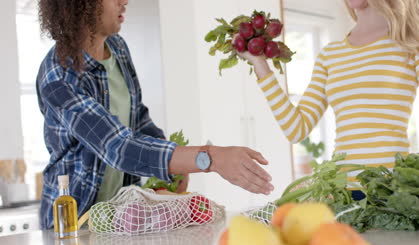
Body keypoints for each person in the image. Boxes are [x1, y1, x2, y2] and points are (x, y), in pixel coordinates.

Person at [36, 0, 273, 229]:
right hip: (73, 224)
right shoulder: (59, 74)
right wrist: (209, 158)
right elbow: (119, 148)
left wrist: (177, 165)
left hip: (119, 220)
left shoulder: (117, 48)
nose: (124, 1)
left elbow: (138, 120)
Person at [239, 0, 419, 199]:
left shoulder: (415, 35)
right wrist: (260, 65)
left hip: (391, 192)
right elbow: (295, 128)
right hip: (340, 193)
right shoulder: (330, 55)